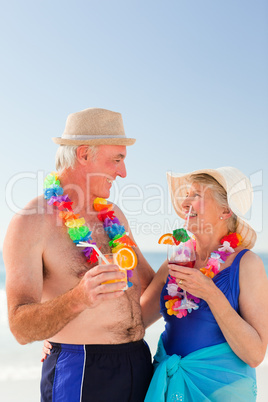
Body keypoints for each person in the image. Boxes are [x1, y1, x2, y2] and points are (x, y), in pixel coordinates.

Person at [3, 108, 155, 402]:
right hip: (83, 369)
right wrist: (79, 297)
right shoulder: (31, 222)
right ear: (84, 154)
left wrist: (199, 252)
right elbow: (20, 327)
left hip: (138, 362)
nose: (123, 172)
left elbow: (151, 285)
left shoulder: (114, 215)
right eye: (117, 159)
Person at [141, 167, 268, 401]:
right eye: (187, 194)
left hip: (219, 390)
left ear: (226, 211)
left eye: (196, 195)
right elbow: (136, 320)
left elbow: (255, 354)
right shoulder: (175, 260)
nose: (185, 202)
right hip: (168, 387)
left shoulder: (247, 264)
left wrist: (210, 293)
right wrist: (59, 339)